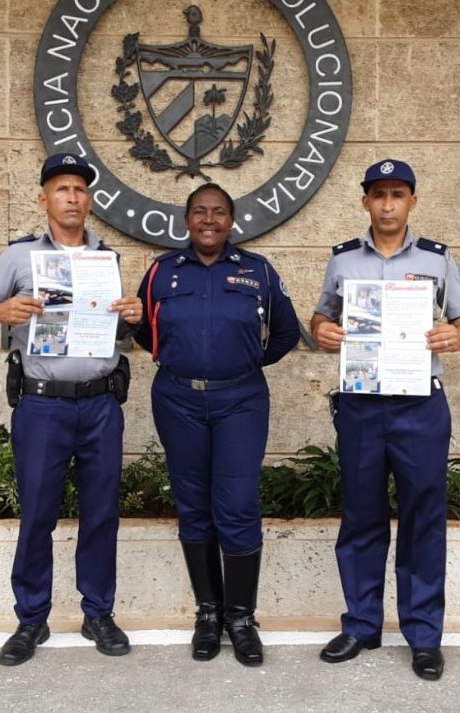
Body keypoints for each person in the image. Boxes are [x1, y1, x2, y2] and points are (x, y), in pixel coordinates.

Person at [0, 153, 143, 666]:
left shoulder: (104, 259)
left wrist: (131, 317)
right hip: (43, 409)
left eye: (80, 190)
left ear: (90, 201)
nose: (72, 197)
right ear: (44, 199)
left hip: (102, 403)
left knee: (102, 514)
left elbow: (116, 331)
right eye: (62, 189)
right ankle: (31, 620)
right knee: (38, 514)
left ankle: (98, 613)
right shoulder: (20, 258)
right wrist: (0, 312)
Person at [310, 159, 460, 680]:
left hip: (419, 405)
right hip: (361, 405)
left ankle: (424, 634)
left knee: (423, 518)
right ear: (364, 201)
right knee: (360, 515)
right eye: (378, 195)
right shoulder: (342, 262)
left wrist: (459, 335)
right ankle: (361, 624)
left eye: (397, 195)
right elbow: (321, 317)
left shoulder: (437, 259)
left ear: (411, 202)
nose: (387, 204)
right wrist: (322, 331)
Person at [134, 183, 300, 666]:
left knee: (239, 505)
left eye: (219, 212)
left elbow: (287, 331)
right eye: (200, 212)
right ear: (187, 219)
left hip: (241, 401)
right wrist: (184, 361)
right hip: (178, 400)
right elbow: (147, 331)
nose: (210, 220)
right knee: (193, 505)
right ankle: (208, 616)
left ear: (232, 220)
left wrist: (242, 363)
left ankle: (242, 619)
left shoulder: (258, 272)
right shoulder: (163, 271)